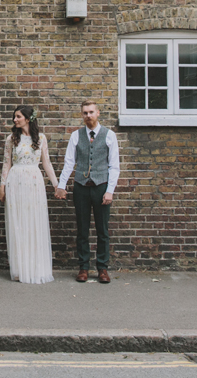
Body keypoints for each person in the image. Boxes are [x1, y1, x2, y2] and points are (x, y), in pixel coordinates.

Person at [55, 101, 120, 284]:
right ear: (81, 115)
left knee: (102, 230)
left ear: (98, 113)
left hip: (101, 187)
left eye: (91, 112)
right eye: (85, 113)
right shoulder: (76, 136)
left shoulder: (109, 135)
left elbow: (114, 166)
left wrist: (109, 191)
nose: (88, 115)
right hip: (81, 187)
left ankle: (102, 268)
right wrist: (62, 185)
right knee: (82, 230)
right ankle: (83, 267)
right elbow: (69, 162)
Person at [0, 105, 59, 284]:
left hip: (34, 182)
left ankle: (35, 268)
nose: (15, 120)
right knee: (19, 224)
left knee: (34, 223)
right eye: (14, 117)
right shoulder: (11, 139)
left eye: (18, 117)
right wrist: (2, 187)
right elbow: (6, 164)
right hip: (15, 182)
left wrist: (56, 185)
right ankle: (19, 268)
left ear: (28, 118)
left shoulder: (41, 138)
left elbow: (46, 163)